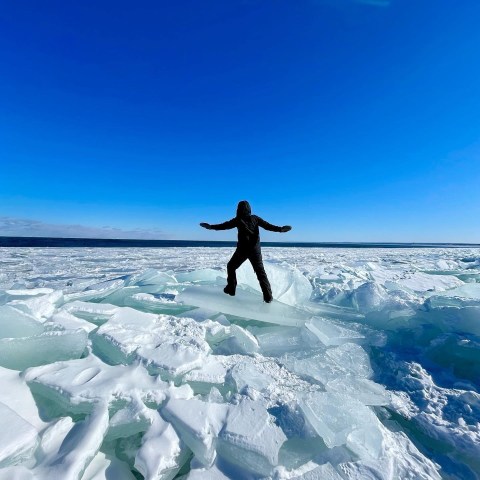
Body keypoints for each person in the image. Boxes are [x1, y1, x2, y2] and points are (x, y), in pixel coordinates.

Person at [200, 200, 292, 303]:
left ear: (238, 209)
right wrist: (280, 229)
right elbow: (268, 226)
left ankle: (231, 289)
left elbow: (224, 226)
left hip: (242, 250)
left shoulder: (238, 220)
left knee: (231, 266)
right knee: (260, 273)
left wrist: (211, 227)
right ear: (249, 209)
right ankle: (268, 296)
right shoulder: (255, 218)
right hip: (255, 250)